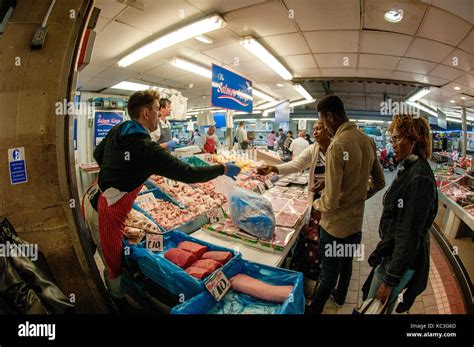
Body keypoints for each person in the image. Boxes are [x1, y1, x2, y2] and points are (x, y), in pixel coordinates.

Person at [90, 90, 241, 300]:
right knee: (114, 265)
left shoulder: (120, 128)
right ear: (146, 112)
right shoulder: (146, 148)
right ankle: (115, 302)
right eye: (156, 109)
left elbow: (98, 153)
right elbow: (187, 173)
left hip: (96, 198)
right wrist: (222, 169)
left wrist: (117, 176)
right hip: (110, 211)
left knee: (110, 255)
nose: (159, 114)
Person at [306, 95, 385, 314]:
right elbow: (379, 182)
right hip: (355, 224)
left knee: (329, 274)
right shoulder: (367, 140)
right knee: (347, 262)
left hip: (334, 227)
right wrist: (357, 196)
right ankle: (340, 298)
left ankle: (314, 310)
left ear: (330, 117)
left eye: (322, 121)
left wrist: (316, 205)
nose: (322, 126)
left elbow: (330, 201)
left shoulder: (337, 146)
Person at [362, 114, 437, 314]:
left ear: (414, 140)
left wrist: (389, 281)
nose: (392, 144)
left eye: (397, 138)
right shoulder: (410, 167)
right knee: (380, 308)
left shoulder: (418, 177)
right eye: (392, 138)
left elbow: (408, 234)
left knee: (374, 304)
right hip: (394, 254)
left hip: (399, 261)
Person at [257, 120, 331, 280]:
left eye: (320, 128)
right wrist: (274, 168)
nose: (316, 132)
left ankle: (326, 274)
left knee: (327, 239)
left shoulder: (337, 150)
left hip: (333, 205)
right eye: (315, 129)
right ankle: (314, 270)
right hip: (317, 201)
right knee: (315, 236)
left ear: (329, 129)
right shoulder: (314, 149)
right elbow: (296, 164)